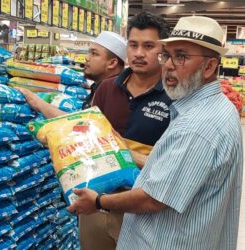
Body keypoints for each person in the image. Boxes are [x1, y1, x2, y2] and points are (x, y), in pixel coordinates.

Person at [68, 15, 243, 250]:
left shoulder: (198, 125)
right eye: (168, 55)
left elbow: (154, 198)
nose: (169, 65)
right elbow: (173, 169)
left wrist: (99, 201)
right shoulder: (214, 108)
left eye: (181, 56)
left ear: (209, 66)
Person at [78, 12, 171, 250]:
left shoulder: (174, 95)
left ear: (163, 50)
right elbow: (89, 137)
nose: (139, 53)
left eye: (149, 46)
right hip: (97, 205)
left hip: (143, 211)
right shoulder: (107, 88)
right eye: (133, 45)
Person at [16, 31, 126, 119]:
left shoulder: (114, 95)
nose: (87, 58)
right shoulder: (99, 88)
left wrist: (39, 104)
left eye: (94, 54)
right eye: (89, 52)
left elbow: (85, 126)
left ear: (112, 63)